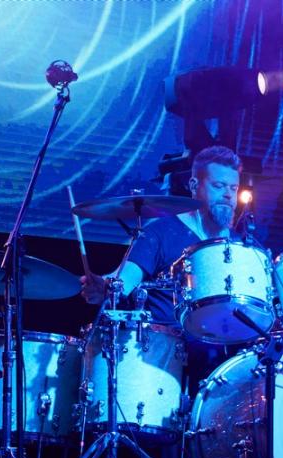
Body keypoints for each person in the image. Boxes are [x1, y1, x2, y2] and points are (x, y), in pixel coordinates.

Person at [79, 145, 243, 398]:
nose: (228, 195)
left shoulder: (242, 247)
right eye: (218, 186)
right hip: (161, 357)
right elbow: (124, 280)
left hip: (221, 360)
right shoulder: (162, 232)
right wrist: (102, 286)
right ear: (193, 185)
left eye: (233, 188)